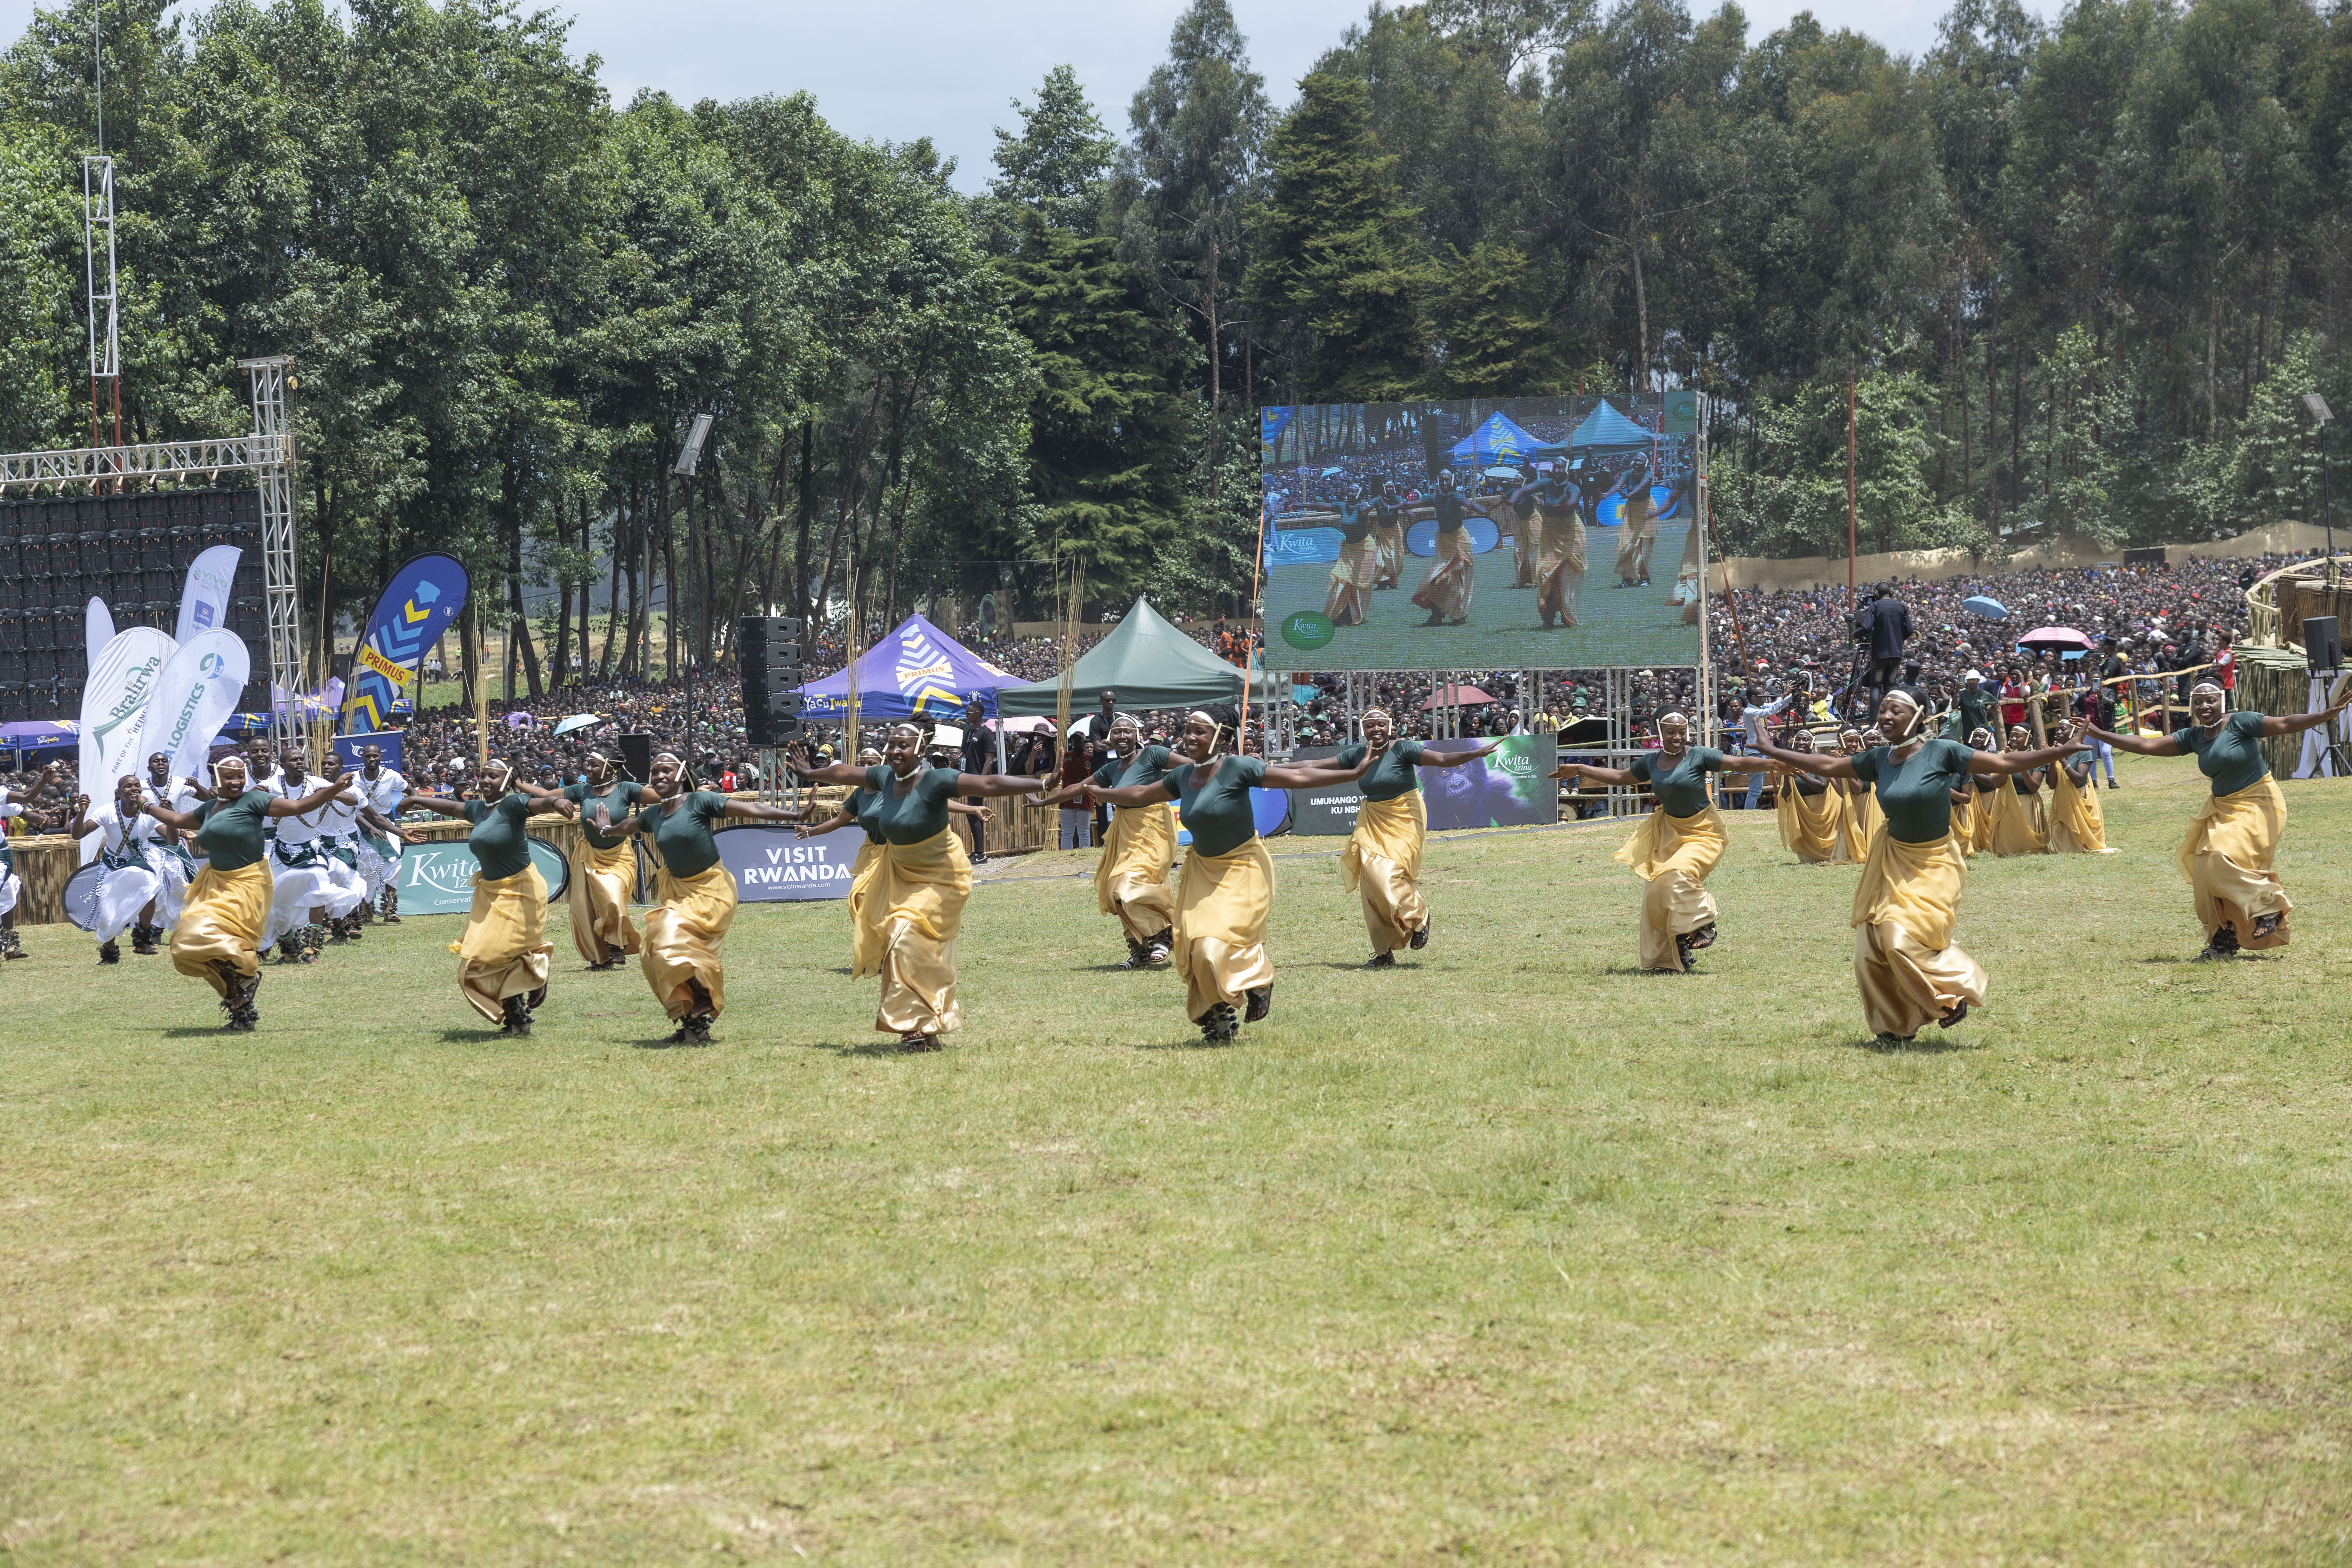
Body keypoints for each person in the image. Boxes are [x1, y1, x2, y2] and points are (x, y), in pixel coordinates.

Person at [1752, 693, 2076, 1045]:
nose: (1885, 716)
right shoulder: (1879, 758)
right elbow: (1828, 767)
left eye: (1896, 710)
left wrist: (2060, 751)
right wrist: (1772, 749)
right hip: (1891, 858)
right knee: (1869, 950)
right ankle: (1893, 1030)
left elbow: (2005, 764)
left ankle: (1952, 991)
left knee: (1899, 939)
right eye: (1882, 710)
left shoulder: (1942, 752)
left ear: (1918, 716)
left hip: (1935, 861)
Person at [1075, 705, 1371, 1043]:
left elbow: (1300, 776)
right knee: (1194, 945)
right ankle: (1216, 1018)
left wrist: (1355, 772)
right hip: (1202, 869)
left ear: (1221, 736)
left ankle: (1259, 979)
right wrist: (1102, 793)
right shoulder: (1182, 777)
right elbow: (1142, 794)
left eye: (1199, 731)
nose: (1189, 737)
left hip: (1242, 867)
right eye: (1187, 730)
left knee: (1220, 941)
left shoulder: (1237, 768)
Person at [789, 725, 1050, 1051]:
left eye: (904, 745)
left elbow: (988, 782)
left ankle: (922, 1023)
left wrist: (1041, 782)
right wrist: (811, 771)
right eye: (891, 744)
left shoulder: (934, 780)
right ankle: (920, 1028)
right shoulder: (884, 777)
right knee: (902, 942)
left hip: (940, 873)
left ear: (920, 751)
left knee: (905, 936)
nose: (895, 751)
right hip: (899, 870)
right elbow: (845, 772)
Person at [2078, 680, 2352, 959]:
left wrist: (2322, 716)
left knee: (2221, 857)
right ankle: (2223, 942)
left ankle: (2268, 905)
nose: (2204, 706)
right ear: (2192, 706)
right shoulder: (2195, 737)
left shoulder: (2240, 723)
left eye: (2210, 700)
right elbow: (2147, 746)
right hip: (2223, 809)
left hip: (2259, 802)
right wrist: (2100, 734)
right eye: (2198, 701)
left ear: (2221, 701)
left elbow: (2284, 723)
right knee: (2205, 873)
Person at [588, 751, 803, 1043]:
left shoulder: (699, 801)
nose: (659, 776)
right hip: (677, 891)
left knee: (670, 937)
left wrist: (794, 815)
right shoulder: (654, 815)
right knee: (652, 951)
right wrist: (608, 829)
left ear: (681, 775)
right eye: (654, 772)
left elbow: (749, 810)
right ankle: (693, 1021)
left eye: (666, 770)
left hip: (711, 889)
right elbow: (629, 827)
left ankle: (704, 995)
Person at [139, 756, 355, 1030]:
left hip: (248, 884)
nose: (236, 782)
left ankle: (245, 983)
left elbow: (299, 806)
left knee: (222, 944)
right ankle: (241, 1002)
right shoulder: (209, 809)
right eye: (229, 777)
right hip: (215, 884)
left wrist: (334, 789)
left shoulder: (254, 802)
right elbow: (178, 818)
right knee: (185, 942)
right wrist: (145, 805)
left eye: (240, 777)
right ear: (217, 779)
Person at [1552, 714, 1777, 972]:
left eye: (1682, 732)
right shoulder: (1651, 761)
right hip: (1669, 832)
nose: (1678, 737)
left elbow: (1738, 763)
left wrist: (1773, 762)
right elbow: (1619, 776)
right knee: (1656, 893)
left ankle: (1702, 922)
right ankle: (1671, 956)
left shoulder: (1699, 755)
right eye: (1672, 732)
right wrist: (1580, 768)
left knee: (1677, 874)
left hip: (1704, 831)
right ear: (1661, 733)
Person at [387, 760, 579, 1036]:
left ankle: (520, 1010)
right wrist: (418, 799)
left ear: (507, 780)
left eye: (493, 776)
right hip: (490, 891)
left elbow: (536, 805)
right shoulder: (480, 810)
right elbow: (453, 808)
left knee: (497, 952)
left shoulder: (513, 805)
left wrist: (556, 804)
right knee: (483, 957)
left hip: (521, 889)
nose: (485, 781)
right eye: (483, 776)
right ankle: (524, 999)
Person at [1331, 708, 1498, 966]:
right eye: (1370, 726)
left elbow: (1441, 759)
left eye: (1381, 724)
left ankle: (1419, 915)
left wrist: (1475, 753)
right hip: (1373, 819)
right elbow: (1313, 766)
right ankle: (1384, 953)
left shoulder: (1404, 749)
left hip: (1405, 817)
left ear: (1390, 726)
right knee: (1371, 886)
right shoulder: (1357, 754)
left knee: (1389, 875)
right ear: (1363, 730)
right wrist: (1269, 769)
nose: (1376, 729)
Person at [1029, 715, 1179, 968]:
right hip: (1125, 828)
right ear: (1110, 739)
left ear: (1137, 736)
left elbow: (1190, 766)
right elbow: (1078, 788)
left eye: (1127, 731)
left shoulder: (1153, 754)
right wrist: (1044, 801)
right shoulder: (1111, 769)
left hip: (1155, 826)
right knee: (1114, 891)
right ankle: (1139, 949)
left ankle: (1164, 934)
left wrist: (1218, 767)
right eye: (1116, 732)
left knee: (1137, 881)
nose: (1122, 736)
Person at [258, 744, 365, 964]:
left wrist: (334, 791)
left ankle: (312, 949)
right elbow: (249, 799)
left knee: (320, 893)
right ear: (283, 765)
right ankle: (289, 950)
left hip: (312, 849)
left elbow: (354, 800)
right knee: (275, 906)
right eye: (294, 760)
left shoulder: (317, 783)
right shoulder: (272, 784)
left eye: (301, 759)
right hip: (282, 853)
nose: (299, 762)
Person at [64, 775, 185, 962]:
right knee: (108, 909)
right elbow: (78, 835)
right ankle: (109, 950)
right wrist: (81, 813)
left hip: (139, 862)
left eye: (137, 786)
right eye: (128, 787)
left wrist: (170, 820)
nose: (134, 789)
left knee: (151, 890)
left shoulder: (150, 812)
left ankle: (142, 941)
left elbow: (173, 841)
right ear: (119, 792)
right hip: (112, 864)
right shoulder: (107, 811)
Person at [551, 750, 644, 970]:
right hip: (589, 854)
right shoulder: (582, 790)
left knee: (612, 898)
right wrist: (517, 784)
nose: (587, 768)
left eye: (592, 765)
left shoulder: (626, 789)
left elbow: (663, 796)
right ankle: (600, 958)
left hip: (619, 856)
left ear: (609, 768)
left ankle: (617, 944)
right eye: (587, 764)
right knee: (583, 909)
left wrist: (691, 789)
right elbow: (544, 794)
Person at [351, 743, 410, 923]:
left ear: (381, 757)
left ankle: (390, 909)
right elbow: (350, 808)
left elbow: (410, 791)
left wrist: (411, 802)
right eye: (368, 756)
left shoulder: (391, 776)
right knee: (364, 867)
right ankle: (366, 908)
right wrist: (368, 826)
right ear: (363, 758)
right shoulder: (354, 778)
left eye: (375, 756)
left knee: (395, 863)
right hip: (359, 825)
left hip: (386, 823)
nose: (372, 759)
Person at [1409, 470, 1476, 626]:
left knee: (1458, 580)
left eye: (1447, 480)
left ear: (1453, 481)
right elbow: (1412, 503)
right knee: (1436, 579)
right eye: (1441, 480)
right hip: (1443, 542)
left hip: (1460, 541)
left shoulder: (1457, 497)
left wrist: (1484, 510)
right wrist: (1395, 506)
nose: (1444, 483)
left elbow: (1470, 505)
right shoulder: (1435, 498)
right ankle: (1436, 616)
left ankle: (1459, 616)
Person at [1772, 731, 1849, 864]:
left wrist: (1803, 776)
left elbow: (1822, 787)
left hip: (1825, 808)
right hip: (1804, 812)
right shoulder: (1790, 762)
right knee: (1808, 861)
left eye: (1806, 740)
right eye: (1798, 740)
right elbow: (1786, 797)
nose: (1801, 743)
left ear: (1812, 743)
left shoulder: (1819, 759)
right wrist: (1785, 775)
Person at [1529, 464, 1587, 631]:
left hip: (1571, 538)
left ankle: (1566, 617)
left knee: (1566, 580)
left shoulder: (1573, 488)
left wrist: (1545, 505)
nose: (1557, 470)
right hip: (1550, 536)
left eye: (1561, 468)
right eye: (1555, 467)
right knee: (1545, 575)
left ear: (1567, 471)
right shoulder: (1546, 484)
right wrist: (1518, 494)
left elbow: (1571, 505)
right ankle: (1547, 619)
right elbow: (1525, 490)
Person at [1978, 723, 2049, 856]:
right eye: (2012, 736)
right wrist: (2008, 765)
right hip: (2006, 802)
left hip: (2027, 803)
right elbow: (1997, 784)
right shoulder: (2003, 755)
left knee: (2029, 847)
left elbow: (2034, 787)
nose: (2014, 739)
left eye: (2018, 736)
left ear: (2029, 738)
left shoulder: (2038, 758)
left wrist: (2018, 764)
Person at [2044, 719, 2113, 854]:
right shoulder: (2053, 753)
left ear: (2074, 732)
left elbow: (2079, 779)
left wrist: (2062, 759)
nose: (2058, 732)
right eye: (2057, 730)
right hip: (2063, 800)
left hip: (2081, 798)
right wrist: (2053, 761)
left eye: (2063, 729)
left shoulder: (2083, 751)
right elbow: (2052, 785)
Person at [1321, 484, 1380, 627]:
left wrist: (1377, 500)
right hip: (1349, 549)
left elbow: (1373, 504)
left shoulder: (1361, 508)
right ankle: (1339, 614)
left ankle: (1350, 615)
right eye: (1348, 490)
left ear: (1359, 493)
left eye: (1352, 491)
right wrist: (1304, 504)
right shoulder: (1342, 507)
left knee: (1356, 584)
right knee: (1342, 581)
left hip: (1365, 548)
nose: (1349, 493)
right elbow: (1324, 506)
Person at [1859, 585, 1911, 708]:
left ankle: (1873, 721)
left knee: (1876, 686)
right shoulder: (1902, 606)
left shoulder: (1875, 606)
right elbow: (1910, 630)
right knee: (1890, 686)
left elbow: (1866, 627)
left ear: (1876, 593)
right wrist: (1898, 640)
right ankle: (1892, 715)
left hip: (1880, 654)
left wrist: (1855, 634)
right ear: (1891, 592)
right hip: (1897, 653)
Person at [959, 694, 996, 864]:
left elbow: (989, 759)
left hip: (977, 779)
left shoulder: (986, 733)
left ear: (979, 714)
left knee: (974, 814)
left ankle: (981, 854)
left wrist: (982, 781)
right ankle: (978, 852)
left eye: (969, 712)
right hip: (966, 777)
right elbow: (965, 753)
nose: (967, 715)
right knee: (973, 814)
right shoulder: (967, 731)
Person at [1610, 466, 1658, 588]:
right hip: (1632, 510)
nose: (1638, 463)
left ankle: (1645, 578)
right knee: (1628, 545)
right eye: (1636, 460)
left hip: (1647, 509)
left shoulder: (1648, 474)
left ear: (1645, 463)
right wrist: (1607, 494)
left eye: (1640, 461)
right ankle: (1628, 578)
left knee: (1645, 548)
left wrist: (1628, 495)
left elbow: (1641, 487)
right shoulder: (1628, 473)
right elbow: (1618, 486)